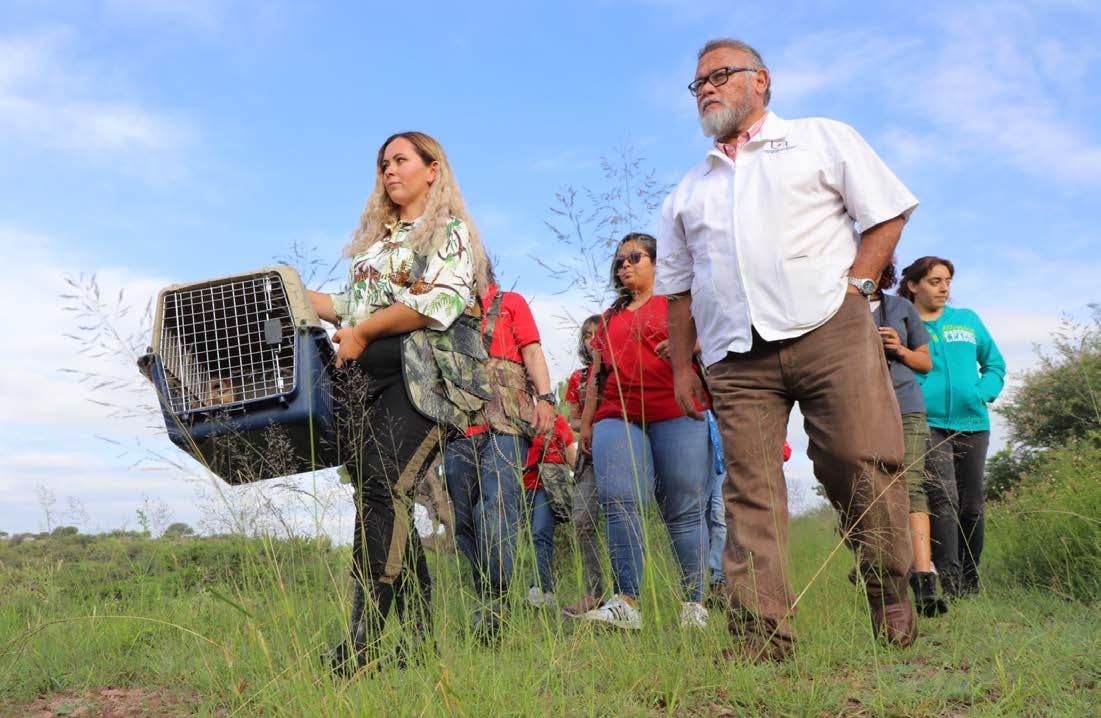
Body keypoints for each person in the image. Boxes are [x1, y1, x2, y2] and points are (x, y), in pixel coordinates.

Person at [659, 38, 920, 661]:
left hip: (830, 329)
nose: (706, 89)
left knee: (858, 459)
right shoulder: (689, 190)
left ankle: (887, 586)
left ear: (761, 81)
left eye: (720, 75)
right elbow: (677, 289)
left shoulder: (820, 138)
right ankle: (761, 636)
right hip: (734, 355)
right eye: (698, 83)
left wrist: (860, 287)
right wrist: (682, 367)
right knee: (749, 489)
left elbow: (887, 214)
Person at [308, 131, 492, 673]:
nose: (389, 170)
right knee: (380, 496)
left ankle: (362, 641)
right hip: (364, 380)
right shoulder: (378, 245)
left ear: (432, 169)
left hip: (423, 379)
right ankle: (416, 639)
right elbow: (351, 306)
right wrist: (293, 292)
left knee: (383, 484)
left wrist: (363, 334)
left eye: (401, 160)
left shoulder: (451, 232)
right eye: (383, 163)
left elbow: (436, 302)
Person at [579, 232, 712, 631]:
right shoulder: (608, 318)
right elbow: (596, 375)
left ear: (657, 262)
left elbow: (714, 335)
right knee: (620, 502)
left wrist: (689, 345)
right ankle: (626, 603)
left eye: (635, 257)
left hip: (676, 410)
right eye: (620, 261)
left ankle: (694, 603)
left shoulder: (679, 303)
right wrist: (586, 423)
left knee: (684, 509)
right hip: (617, 413)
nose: (625, 265)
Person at [443, 269, 556, 639]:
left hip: (507, 421)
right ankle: (487, 595)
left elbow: (532, 351)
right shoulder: (444, 310)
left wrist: (546, 398)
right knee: (464, 520)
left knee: (496, 510)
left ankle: (496, 604)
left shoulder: (510, 302)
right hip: (458, 425)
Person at [900, 256, 1005, 598]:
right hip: (928, 422)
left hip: (973, 422)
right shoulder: (905, 324)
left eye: (947, 281)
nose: (944, 288)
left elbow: (995, 365)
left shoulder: (967, 320)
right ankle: (951, 583)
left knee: (971, 508)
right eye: (935, 281)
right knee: (943, 501)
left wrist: (981, 393)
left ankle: (971, 583)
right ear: (914, 285)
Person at [870, 260, 946, 617]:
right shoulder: (834, 308)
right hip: (859, 410)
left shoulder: (899, 307)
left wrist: (898, 349)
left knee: (912, 487)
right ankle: (880, 574)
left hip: (906, 405)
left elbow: (925, 362)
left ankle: (924, 582)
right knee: (871, 491)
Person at [562, 315, 606, 618]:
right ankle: (596, 592)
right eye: (587, 335)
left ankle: (630, 593)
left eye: (597, 333)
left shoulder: (619, 371)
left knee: (624, 516)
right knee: (582, 519)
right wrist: (590, 423)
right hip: (589, 455)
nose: (592, 340)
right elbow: (574, 419)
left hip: (624, 448)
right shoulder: (578, 378)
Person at [522, 412, 575, 607]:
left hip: (548, 487)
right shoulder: (516, 419)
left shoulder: (556, 421)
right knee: (529, 539)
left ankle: (541, 589)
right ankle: (542, 589)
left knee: (540, 533)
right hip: (522, 486)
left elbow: (572, 457)